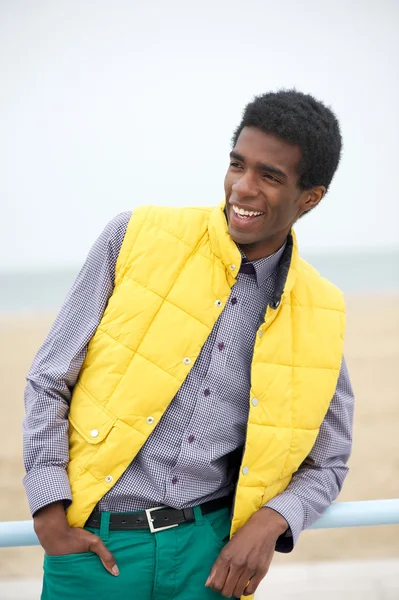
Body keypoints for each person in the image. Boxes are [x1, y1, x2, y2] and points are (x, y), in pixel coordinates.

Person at [23, 89, 354, 600]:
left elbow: (328, 460)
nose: (243, 189)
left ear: (309, 197)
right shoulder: (135, 235)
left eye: (270, 176)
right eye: (237, 165)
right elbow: (50, 378)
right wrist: (49, 514)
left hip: (212, 562)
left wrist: (269, 523)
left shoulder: (321, 309)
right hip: (94, 551)